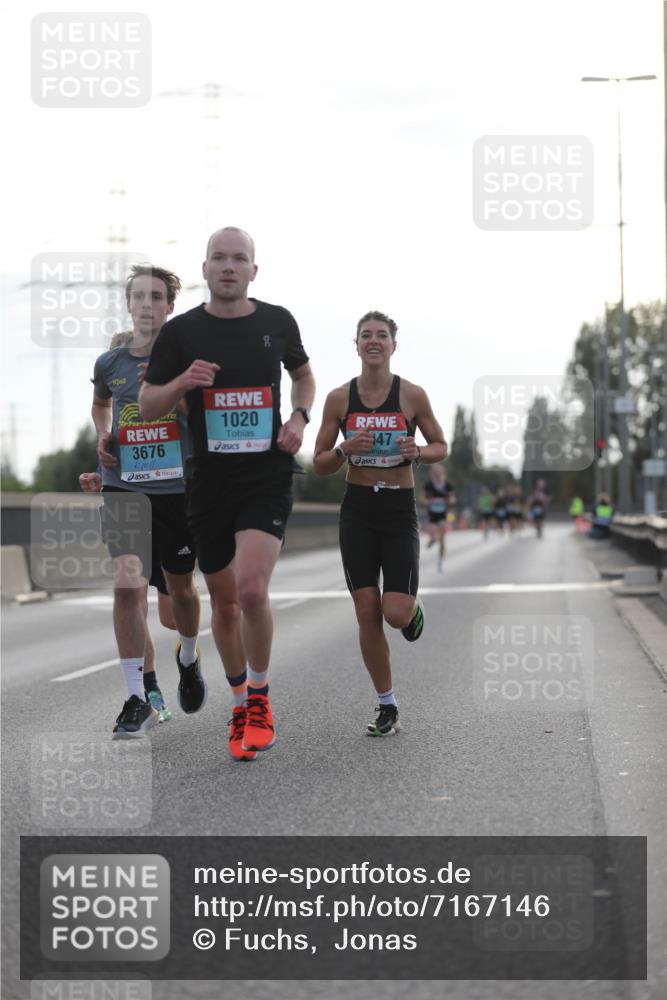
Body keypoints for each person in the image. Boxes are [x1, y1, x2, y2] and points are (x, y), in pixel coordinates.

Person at [139, 227, 315, 761]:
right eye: (219, 258)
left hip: (265, 474)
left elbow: (303, 376)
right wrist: (182, 383)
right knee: (226, 603)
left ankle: (259, 698)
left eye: (240, 259)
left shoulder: (277, 322)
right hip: (208, 481)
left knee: (254, 590)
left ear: (253, 271)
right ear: (206, 268)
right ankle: (239, 702)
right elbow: (148, 405)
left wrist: (299, 418)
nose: (229, 266)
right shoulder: (183, 333)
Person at [313, 310, 447, 736]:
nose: (374, 341)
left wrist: (418, 452)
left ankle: (411, 609)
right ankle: (386, 704)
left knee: (394, 613)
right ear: (356, 346)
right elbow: (319, 463)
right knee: (366, 610)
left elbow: (441, 445)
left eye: (382, 336)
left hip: (398, 508)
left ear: (393, 345)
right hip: (357, 511)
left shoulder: (412, 396)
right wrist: (344, 449)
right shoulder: (338, 399)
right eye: (366, 335)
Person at [91, 265, 201, 739]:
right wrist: (102, 437)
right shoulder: (109, 363)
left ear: (170, 306)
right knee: (125, 585)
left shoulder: (187, 359)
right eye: (139, 296)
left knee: (177, 602)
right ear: (128, 303)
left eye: (156, 297)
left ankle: (189, 655)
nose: (147, 304)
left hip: (177, 491)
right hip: (124, 486)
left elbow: (202, 419)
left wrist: (169, 395)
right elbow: (101, 406)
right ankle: (137, 697)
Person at [420, 464, 455, 571]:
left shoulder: (447, 485)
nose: (437, 474)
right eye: (435, 472)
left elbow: (453, 498)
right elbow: (422, 498)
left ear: (443, 473)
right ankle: (433, 539)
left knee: (443, 538)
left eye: (439, 472)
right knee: (433, 533)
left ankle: (440, 560)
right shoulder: (428, 485)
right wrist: (427, 502)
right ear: (432, 474)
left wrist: (449, 500)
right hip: (431, 515)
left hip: (443, 515)